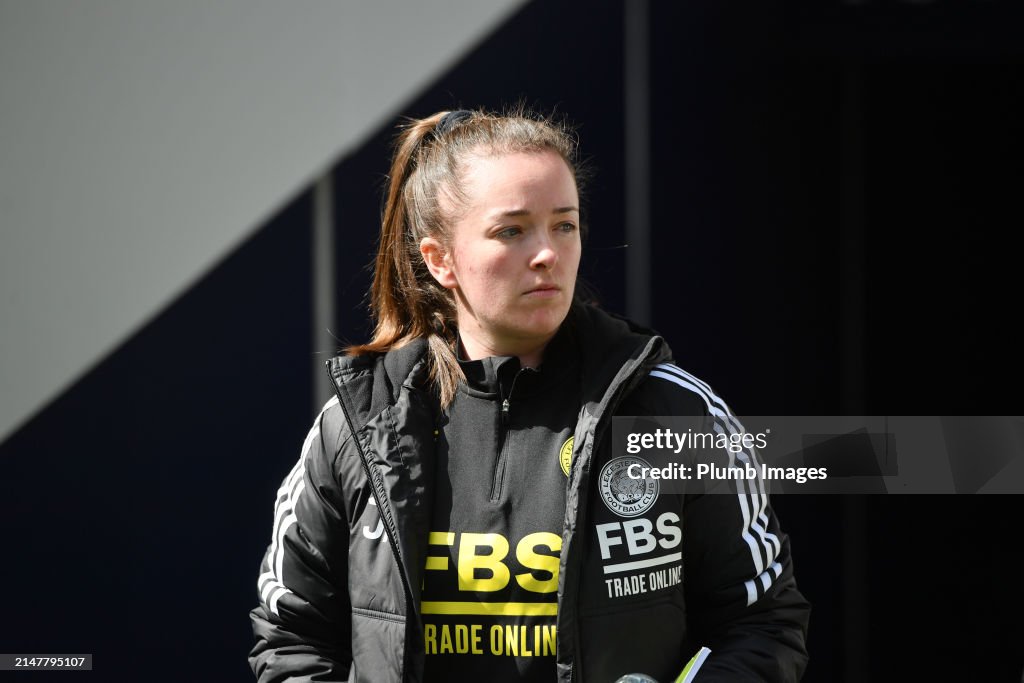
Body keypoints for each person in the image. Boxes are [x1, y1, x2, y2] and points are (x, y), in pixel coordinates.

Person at [249, 108, 810, 682]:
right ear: (440, 259)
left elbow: (762, 623)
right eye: (511, 231)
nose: (547, 254)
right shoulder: (357, 426)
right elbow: (293, 639)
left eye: (564, 225)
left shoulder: (673, 410)